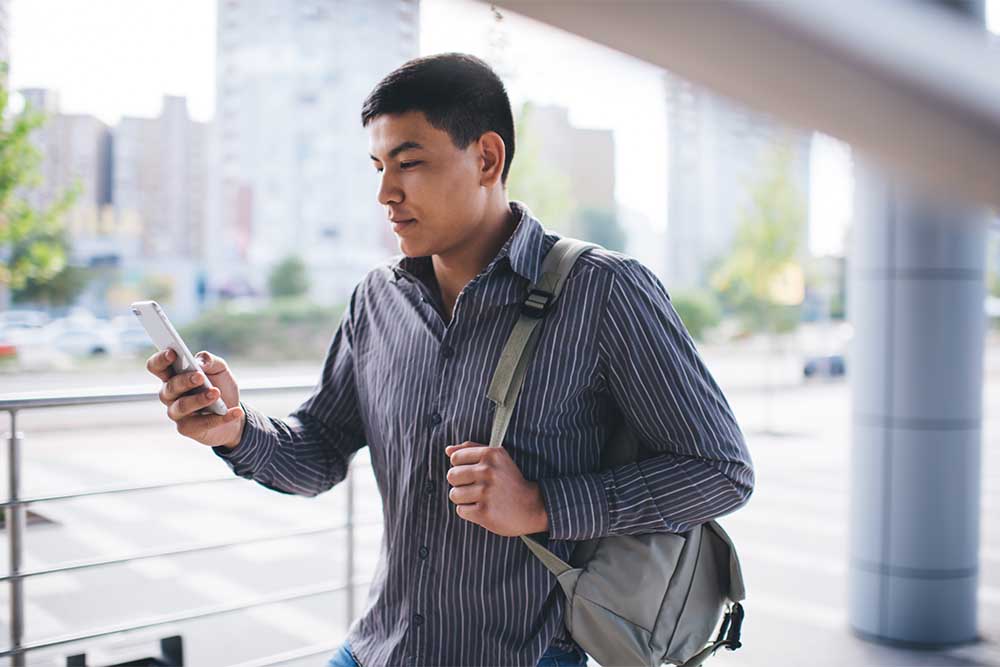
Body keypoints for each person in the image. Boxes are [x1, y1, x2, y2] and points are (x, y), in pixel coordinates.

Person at [145, 52, 754, 667]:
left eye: (409, 164)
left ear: (487, 158)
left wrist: (542, 504)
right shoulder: (376, 299)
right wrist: (236, 429)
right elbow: (321, 449)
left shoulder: (604, 291)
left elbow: (722, 470)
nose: (386, 193)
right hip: (377, 649)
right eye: (379, 167)